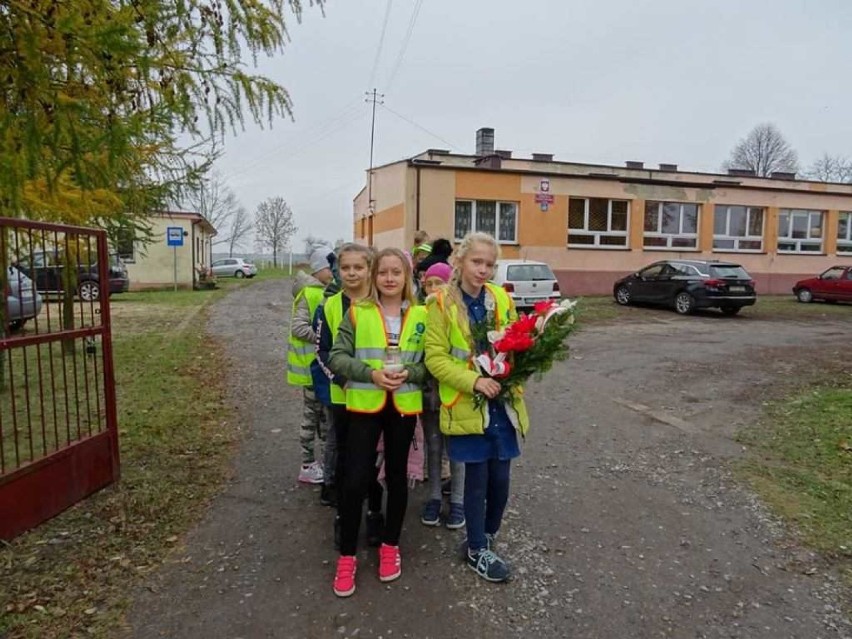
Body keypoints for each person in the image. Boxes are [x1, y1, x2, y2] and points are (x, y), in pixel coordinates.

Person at [424, 231, 529, 583]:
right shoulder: (440, 303)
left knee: (501, 481)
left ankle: (487, 535)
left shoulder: (500, 298)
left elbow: (515, 341)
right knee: (477, 482)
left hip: (501, 405)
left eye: (489, 264)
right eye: (476, 262)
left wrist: (521, 361)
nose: (483, 270)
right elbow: (436, 359)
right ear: (459, 260)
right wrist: (473, 381)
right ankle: (476, 548)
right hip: (468, 405)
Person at [328, 248, 429, 597]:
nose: (389, 278)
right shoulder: (358, 312)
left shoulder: (422, 315)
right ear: (375, 277)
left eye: (396, 273)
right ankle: (347, 557)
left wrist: (410, 373)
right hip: (365, 406)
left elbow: (432, 363)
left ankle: (390, 546)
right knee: (355, 480)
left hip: (402, 406)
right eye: (383, 272)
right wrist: (370, 373)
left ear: (406, 278)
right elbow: (336, 357)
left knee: (397, 477)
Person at [312, 244, 385, 549]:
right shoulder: (329, 306)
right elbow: (322, 350)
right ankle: (344, 516)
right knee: (345, 458)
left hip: (377, 396)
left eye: (359, 267)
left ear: (370, 269)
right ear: (338, 271)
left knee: (371, 459)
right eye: (346, 268)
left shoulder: (383, 303)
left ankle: (374, 512)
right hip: (343, 396)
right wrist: (342, 379)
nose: (352, 274)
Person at [418, 262, 465, 529]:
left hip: (455, 394)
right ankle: (434, 497)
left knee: (457, 451)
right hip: (429, 396)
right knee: (433, 448)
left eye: (440, 283)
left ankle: (457, 500)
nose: (434, 288)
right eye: (429, 283)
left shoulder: (457, 313)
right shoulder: (419, 314)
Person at [287, 245, 334, 484]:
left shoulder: (321, 290)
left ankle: (324, 463)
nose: (334, 272)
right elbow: (298, 327)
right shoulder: (311, 292)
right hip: (310, 369)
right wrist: (323, 336)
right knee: (311, 418)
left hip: (319, 370)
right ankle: (307, 464)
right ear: (319, 269)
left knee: (323, 419)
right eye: (330, 268)